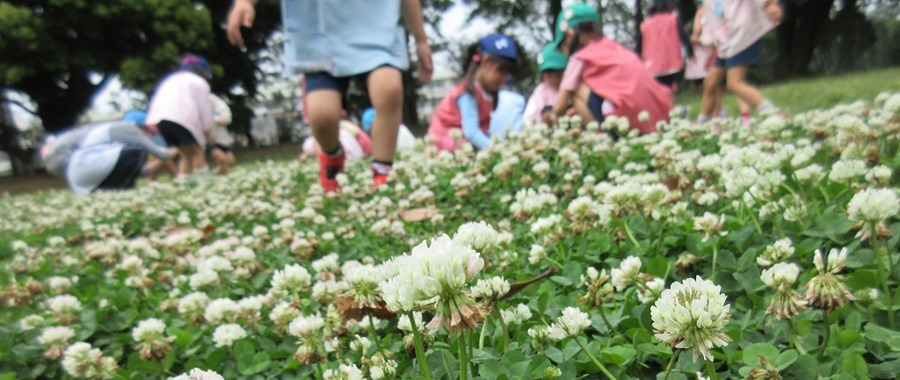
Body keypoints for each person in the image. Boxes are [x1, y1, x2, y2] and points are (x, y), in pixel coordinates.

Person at [227, 0, 433, 192]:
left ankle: (383, 171)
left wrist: (421, 39)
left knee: (390, 89)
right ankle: (333, 156)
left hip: (375, 30)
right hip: (319, 36)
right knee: (321, 116)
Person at [550, 4, 674, 135]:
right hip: (658, 117)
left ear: (569, 33)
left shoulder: (579, 57)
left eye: (562, 45)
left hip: (623, 123)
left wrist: (552, 118)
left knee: (575, 91)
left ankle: (601, 138)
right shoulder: (614, 47)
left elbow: (559, 107)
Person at [40, 111, 177, 195]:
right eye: (150, 132)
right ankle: (119, 190)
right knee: (137, 151)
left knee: (133, 155)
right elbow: (162, 154)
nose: (151, 136)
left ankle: (111, 190)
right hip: (73, 163)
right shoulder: (128, 129)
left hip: (78, 174)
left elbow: (141, 171)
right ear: (143, 126)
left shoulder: (108, 138)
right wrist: (183, 147)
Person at [428, 33, 519, 152]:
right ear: (485, 62)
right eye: (501, 72)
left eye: (508, 74)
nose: (504, 79)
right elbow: (471, 132)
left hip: (461, 145)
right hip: (443, 146)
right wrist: (498, 150)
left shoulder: (485, 92)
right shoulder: (467, 93)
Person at [697, 0, 782, 124]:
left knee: (734, 83)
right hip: (726, 41)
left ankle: (772, 114)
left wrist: (770, 4)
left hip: (744, 35)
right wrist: (711, 45)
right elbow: (711, 19)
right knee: (710, 83)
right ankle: (702, 122)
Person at [146, 55, 215, 182]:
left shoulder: (170, 79)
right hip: (182, 119)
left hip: (160, 120)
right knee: (197, 150)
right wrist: (207, 131)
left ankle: (184, 181)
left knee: (185, 153)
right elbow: (204, 108)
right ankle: (204, 182)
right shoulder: (199, 82)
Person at [687, 1, 751, 123]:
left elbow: (701, 33)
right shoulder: (718, 7)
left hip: (720, 49)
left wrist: (696, 40)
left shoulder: (704, 12)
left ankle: (715, 117)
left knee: (719, 85)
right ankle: (742, 114)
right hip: (728, 45)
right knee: (729, 83)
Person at [641, 0, 694, 89]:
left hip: (652, 63)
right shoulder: (672, 19)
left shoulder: (646, 24)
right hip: (670, 61)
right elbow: (684, 37)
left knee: (659, 88)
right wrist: (690, 53)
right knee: (668, 85)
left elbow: (641, 44)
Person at [523, 45, 568, 128]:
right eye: (549, 76)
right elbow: (529, 118)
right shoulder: (540, 91)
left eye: (558, 75)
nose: (554, 80)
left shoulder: (570, 88)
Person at [207, 94, 237, 175]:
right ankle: (212, 177)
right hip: (209, 140)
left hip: (222, 139)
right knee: (222, 159)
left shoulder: (217, 109)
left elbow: (226, 120)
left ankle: (217, 175)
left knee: (230, 161)